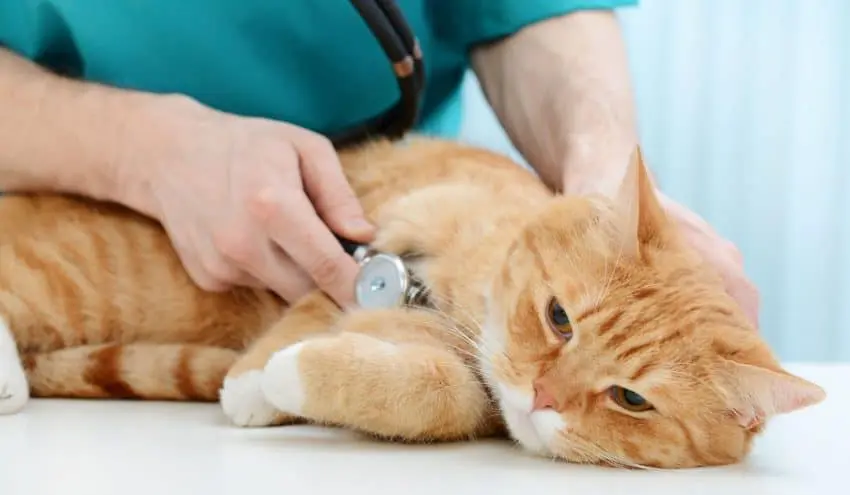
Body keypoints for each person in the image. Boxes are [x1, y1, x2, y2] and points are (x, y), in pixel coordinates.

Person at [0, 1, 758, 326]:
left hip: (381, 244)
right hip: (47, 216)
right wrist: (142, 151)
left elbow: (529, 9)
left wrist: (605, 182)